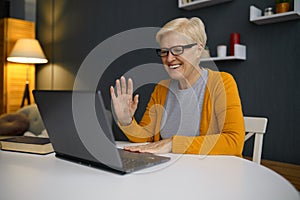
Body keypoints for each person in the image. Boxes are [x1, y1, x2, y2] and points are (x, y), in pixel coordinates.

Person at [110, 17, 245, 156]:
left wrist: (172, 144)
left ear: (199, 49)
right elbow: (146, 138)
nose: (169, 59)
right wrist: (126, 121)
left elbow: (234, 142)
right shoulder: (161, 89)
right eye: (164, 51)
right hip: (170, 171)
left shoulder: (221, 82)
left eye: (177, 50)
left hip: (210, 173)